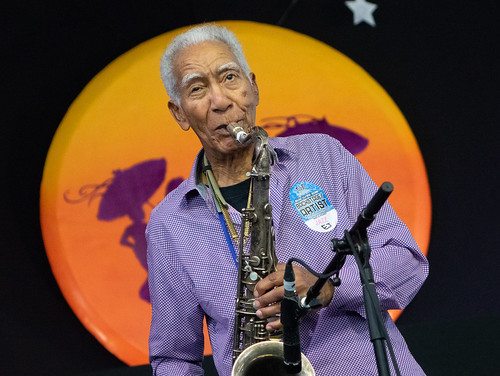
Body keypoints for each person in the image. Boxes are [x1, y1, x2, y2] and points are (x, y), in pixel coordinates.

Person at [146, 24, 429, 376]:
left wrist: (327, 288)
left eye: (229, 77)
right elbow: (175, 359)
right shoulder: (168, 224)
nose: (220, 101)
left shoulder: (325, 155)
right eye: (198, 88)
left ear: (253, 87)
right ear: (179, 113)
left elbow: (408, 264)